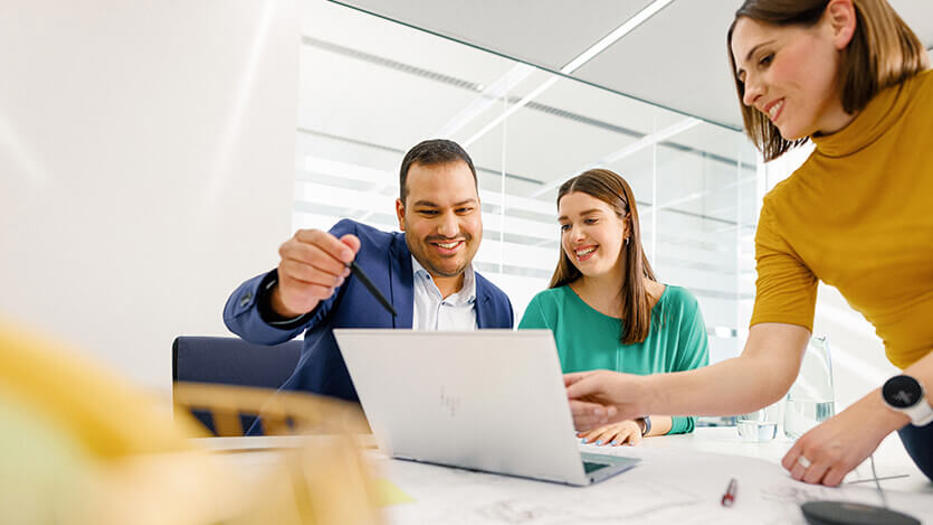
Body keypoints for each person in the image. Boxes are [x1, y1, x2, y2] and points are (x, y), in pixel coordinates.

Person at [564, 0, 933, 487]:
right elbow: (765, 369)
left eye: (765, 59)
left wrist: (883, 404)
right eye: (742, 77)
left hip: (906, 401)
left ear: (840, 21)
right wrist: (636, 396)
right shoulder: (788, 211)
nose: (751, 92)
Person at [224, 139, 514, 405]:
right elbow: (243, 320)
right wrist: (283, 298)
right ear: (402, 214)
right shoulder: (357, 254)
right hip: (312, 454)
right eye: (429, 211)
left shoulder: (498, 307)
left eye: (464, 210)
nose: (449, 229)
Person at [520, 169, 709, 447]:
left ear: (627, 226)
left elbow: (693, 408)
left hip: (653, 474)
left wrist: (638, 422)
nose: (575, 236)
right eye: (566, 225)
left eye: (590, 220)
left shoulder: (680, 308)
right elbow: (520, 405)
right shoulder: (546, 309)